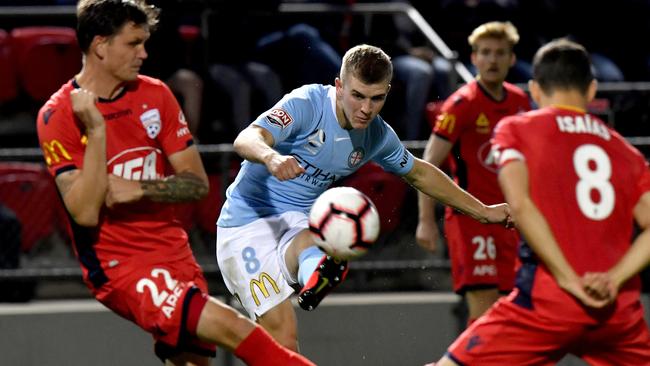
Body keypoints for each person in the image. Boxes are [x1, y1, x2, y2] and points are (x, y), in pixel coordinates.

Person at [35, 1, 315, 365]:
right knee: (230, 325)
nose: (144, 53)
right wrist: (98, 131)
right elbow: (86, 213)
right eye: (133, 43)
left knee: (192, 362)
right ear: (101, 46)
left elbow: (196, 182)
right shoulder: (57, 116)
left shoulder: (156, 95)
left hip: (174, 253)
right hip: (120, 266)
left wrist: (141, 188)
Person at [215, 43, 512, 350]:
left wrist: (483, 210)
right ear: (339, 86)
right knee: (285, 340)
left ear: (387, 93)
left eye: (376, 98)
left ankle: (317, 274)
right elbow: (247, 137)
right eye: (357, 95)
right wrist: (271, 157)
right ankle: (318, 270)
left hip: (298, 222)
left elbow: (420, 173)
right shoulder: (308, 103)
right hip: (246, 224)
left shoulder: (376, 135)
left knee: (322, 234)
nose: (366, 109)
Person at [429, 38, 650, 366]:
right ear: (591, 91)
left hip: (547, 302)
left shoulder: (518, 128)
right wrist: (614, 279)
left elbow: (518, 204)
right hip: (616, 311)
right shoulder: (627, 152)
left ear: (534, 90)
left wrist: (567, 279)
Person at [416, 21, 531, 326]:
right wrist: (426, 221)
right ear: (474, 58)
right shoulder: (462, 104)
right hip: (471, 221)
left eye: (500, 53)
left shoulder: (520, 103)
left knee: (513, 308)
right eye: (486, 53)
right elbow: (428, 162)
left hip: (511, 222)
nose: (493, 60)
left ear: (512, 59)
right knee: (483, 310)